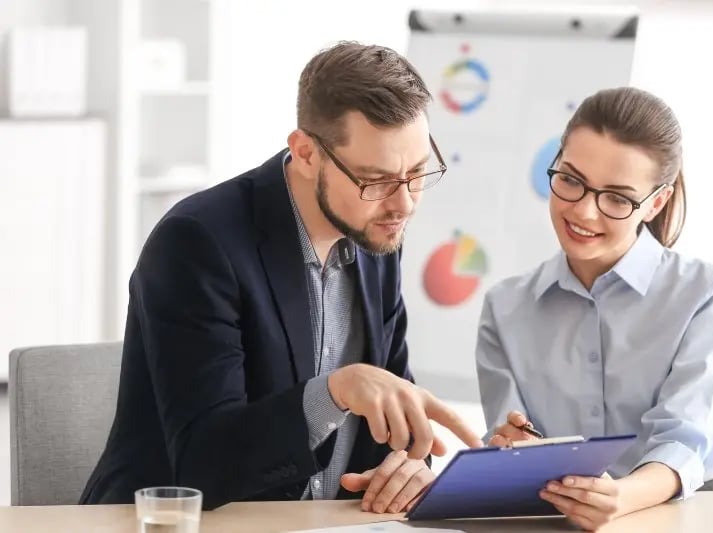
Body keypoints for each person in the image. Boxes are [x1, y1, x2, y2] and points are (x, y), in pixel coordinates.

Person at [81, 41, 483, 513]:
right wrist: (336, 391)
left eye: (417, 173)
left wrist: (408, 466)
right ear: (306, 152)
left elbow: (391, 406)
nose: (404, 204)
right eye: (375, 181)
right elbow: (203, 464)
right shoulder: (197, 243)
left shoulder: (376, 233)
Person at [476, 87, 713, 531]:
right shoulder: (504, 308)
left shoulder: (709, 293)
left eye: (618, 199)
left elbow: (685, 441)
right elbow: (508, 443)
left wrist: (618, 498)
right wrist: (512, 448)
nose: (583, 211)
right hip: (559, 518)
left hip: (686, 514)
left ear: (655, 203)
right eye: (570, 180)